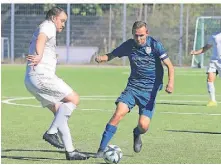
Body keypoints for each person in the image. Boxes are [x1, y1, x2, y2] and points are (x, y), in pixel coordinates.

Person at [95, 21, 174, 157]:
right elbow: (112, 54)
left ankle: (137, 133)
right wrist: (103, 58)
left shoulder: (155, 45)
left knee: (143, 126)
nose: (139, 39)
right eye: (136, 35)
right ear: (133, 34)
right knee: (118, 114)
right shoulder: (129, 45)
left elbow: (170, 66)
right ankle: (101, 150)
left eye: (141, 35)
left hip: (150, 92)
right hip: (133, 87)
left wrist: (170, 83)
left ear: (147, 33)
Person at [24, 7, 89, 160]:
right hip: (41, 76)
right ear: (54, 18)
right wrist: (39, 55)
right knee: (74, 99)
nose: (63, 24)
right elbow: (41, 38)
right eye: (62, 20)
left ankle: (71, 151)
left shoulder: (46, 26)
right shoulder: (48, 25)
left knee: (60, 112)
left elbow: (42, 41)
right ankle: (51, 132)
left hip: (31, 79)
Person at [191, 32, 221, 106]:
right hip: (214, 61)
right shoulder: (214, 35)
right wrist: (196, 52)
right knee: (210, 79)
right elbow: (207, 47)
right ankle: (212, 101)